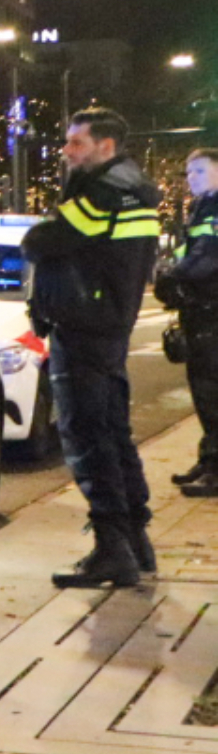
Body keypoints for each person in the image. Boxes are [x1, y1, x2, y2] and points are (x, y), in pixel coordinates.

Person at [23, 107, 162, 588]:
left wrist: (48, 226)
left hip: (83, 324)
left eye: (76, 143)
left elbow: (43, 240)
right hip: (109, 323)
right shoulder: (135, 189)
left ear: (106, 146)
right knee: (112, 430)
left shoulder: (101, 191)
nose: (67, 151)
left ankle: (112, 549)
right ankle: (134, 538)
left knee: (86, 435)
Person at [155, 150, 218, 495]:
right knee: (204, 390)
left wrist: (173, 276)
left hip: (212, 311)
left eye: (200, 170)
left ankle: (215, 469)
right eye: (189, 171)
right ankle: (210, 460)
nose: (191, 177)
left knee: (212, 390)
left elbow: (206, 257)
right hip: (201, 311)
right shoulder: (203, 208)